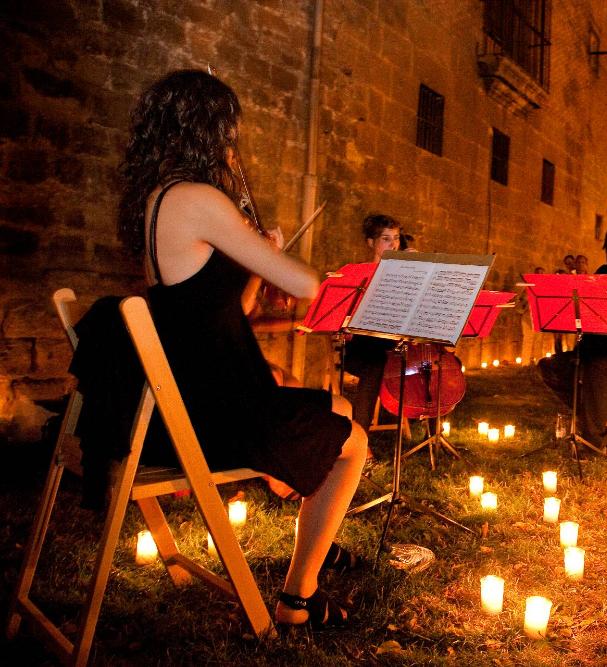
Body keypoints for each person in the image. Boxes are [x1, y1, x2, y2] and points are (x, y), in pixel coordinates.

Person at [117, 70, 366, 628]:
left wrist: (254, 261)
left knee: (336, 412)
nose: (232, 144)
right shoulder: (199, 198)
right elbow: (307, 288)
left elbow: (234, 307)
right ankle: (298, 598)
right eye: (227, 131)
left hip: (192, 391)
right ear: (208, 130)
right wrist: (274, 256)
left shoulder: (156, 199)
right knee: (355, 440)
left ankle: (315, 540)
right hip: (212, 408)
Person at [539, 225, 607, 448]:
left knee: (596, 367)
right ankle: (589, 416)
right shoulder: (599, 275)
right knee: (549, 365)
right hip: (591, 353)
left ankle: (594, 442)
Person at [343, 214, 402, 435]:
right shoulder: (358, 273)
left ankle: (432, 434)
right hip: (362, 347)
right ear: (371, 242)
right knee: (376, 364)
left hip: (394, 345)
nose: (393, 243)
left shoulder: (405, 275)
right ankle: (360, 434)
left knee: (434, 361)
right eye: (386, 238)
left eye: (396, 238)